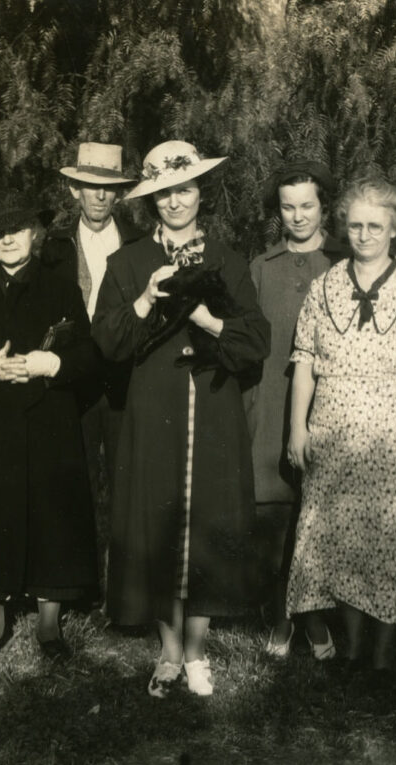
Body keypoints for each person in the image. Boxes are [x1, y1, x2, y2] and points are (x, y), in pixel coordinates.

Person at [92, 140, 270, 697]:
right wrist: (145, 300)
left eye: (185, 190)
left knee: (209, 519)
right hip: (154, 408)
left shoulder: (228, 260)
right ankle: (168, 652)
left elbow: (257, 340)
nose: (175, 202)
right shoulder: (127, 264)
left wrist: (207, 320)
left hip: (213, 404)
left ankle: (197, 651)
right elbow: (108, 342)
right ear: (151, 201)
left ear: (201, 194)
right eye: (164, 194)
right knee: (158, 519)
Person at [285, 177, 396, 684]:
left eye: (375, 225)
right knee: (341, 542)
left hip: (394, 434)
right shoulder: (324, 286)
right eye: (354, 225)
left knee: (389, 539)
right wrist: (297, 429)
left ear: (395, 228)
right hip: (333, 433)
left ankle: (383, 656)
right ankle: (353, 650)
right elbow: (305, 362)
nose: (364, 235)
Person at [0, 190, 100, 663]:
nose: (8, 238)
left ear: (35, 233)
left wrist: (50, 361)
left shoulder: (61, 288)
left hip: (47, 418)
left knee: (53, 514)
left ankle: (49, 625)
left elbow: (86, 354)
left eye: (17, 229)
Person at [246, 160, 347, 660]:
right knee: (278, 516)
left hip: (334, 408)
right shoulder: (262, 269)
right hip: (272, 403)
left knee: (325, 514)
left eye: (307, 205)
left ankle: (319, 617)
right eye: (288, 207)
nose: (298, 216)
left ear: (323, 206)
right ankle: (283, 616)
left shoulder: (347, 262)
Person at [40, 143, 142, 508]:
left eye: (109, 187)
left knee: (127, 488)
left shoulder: (138, 243)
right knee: (71, 491)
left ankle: (121, 564)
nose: (100, 195)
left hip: (123, 382)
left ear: (119, 193)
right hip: (71, 385)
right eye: (91, 185)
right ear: (74, 189)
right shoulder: (54, 248)